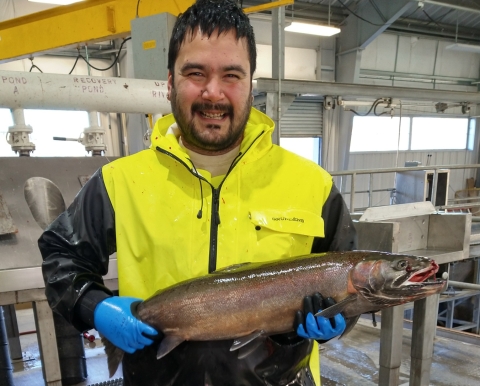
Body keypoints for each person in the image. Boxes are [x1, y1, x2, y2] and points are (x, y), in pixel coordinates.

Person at [38, 0, 357, 385]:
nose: (213, 92)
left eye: (231, 75)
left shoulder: (313, 185)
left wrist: (337, 319)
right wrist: (96, 306)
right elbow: (61, 256)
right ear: (170, 82)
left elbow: (350, 280)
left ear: (250, 85)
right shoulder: (119, 182)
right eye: (195, 73)